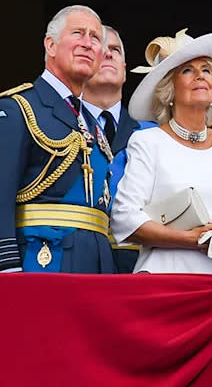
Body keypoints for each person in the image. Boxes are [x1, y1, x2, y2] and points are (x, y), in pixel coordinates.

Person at [111, 29, 212, 274]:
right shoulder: (147, 142)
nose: (200, 76)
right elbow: (125, 219)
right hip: (169, 281)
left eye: (206, 70)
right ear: (169, 90)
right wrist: (192, 239)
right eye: (187, 70)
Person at [0, 5, 116, 273]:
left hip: (96, 264)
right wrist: (5, 267)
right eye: (78, 33)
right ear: (50, 45)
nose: (87, 43)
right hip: (42, 259)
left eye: (95, 38)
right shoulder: (19, 108)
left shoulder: (93, 123)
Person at [82, 25, 142, 273]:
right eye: (100, 48)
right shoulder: (58, 128)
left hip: (140, 266)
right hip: (80, 262)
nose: (108, 55)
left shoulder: (152, 134)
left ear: (125, 71)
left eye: (115, 50)